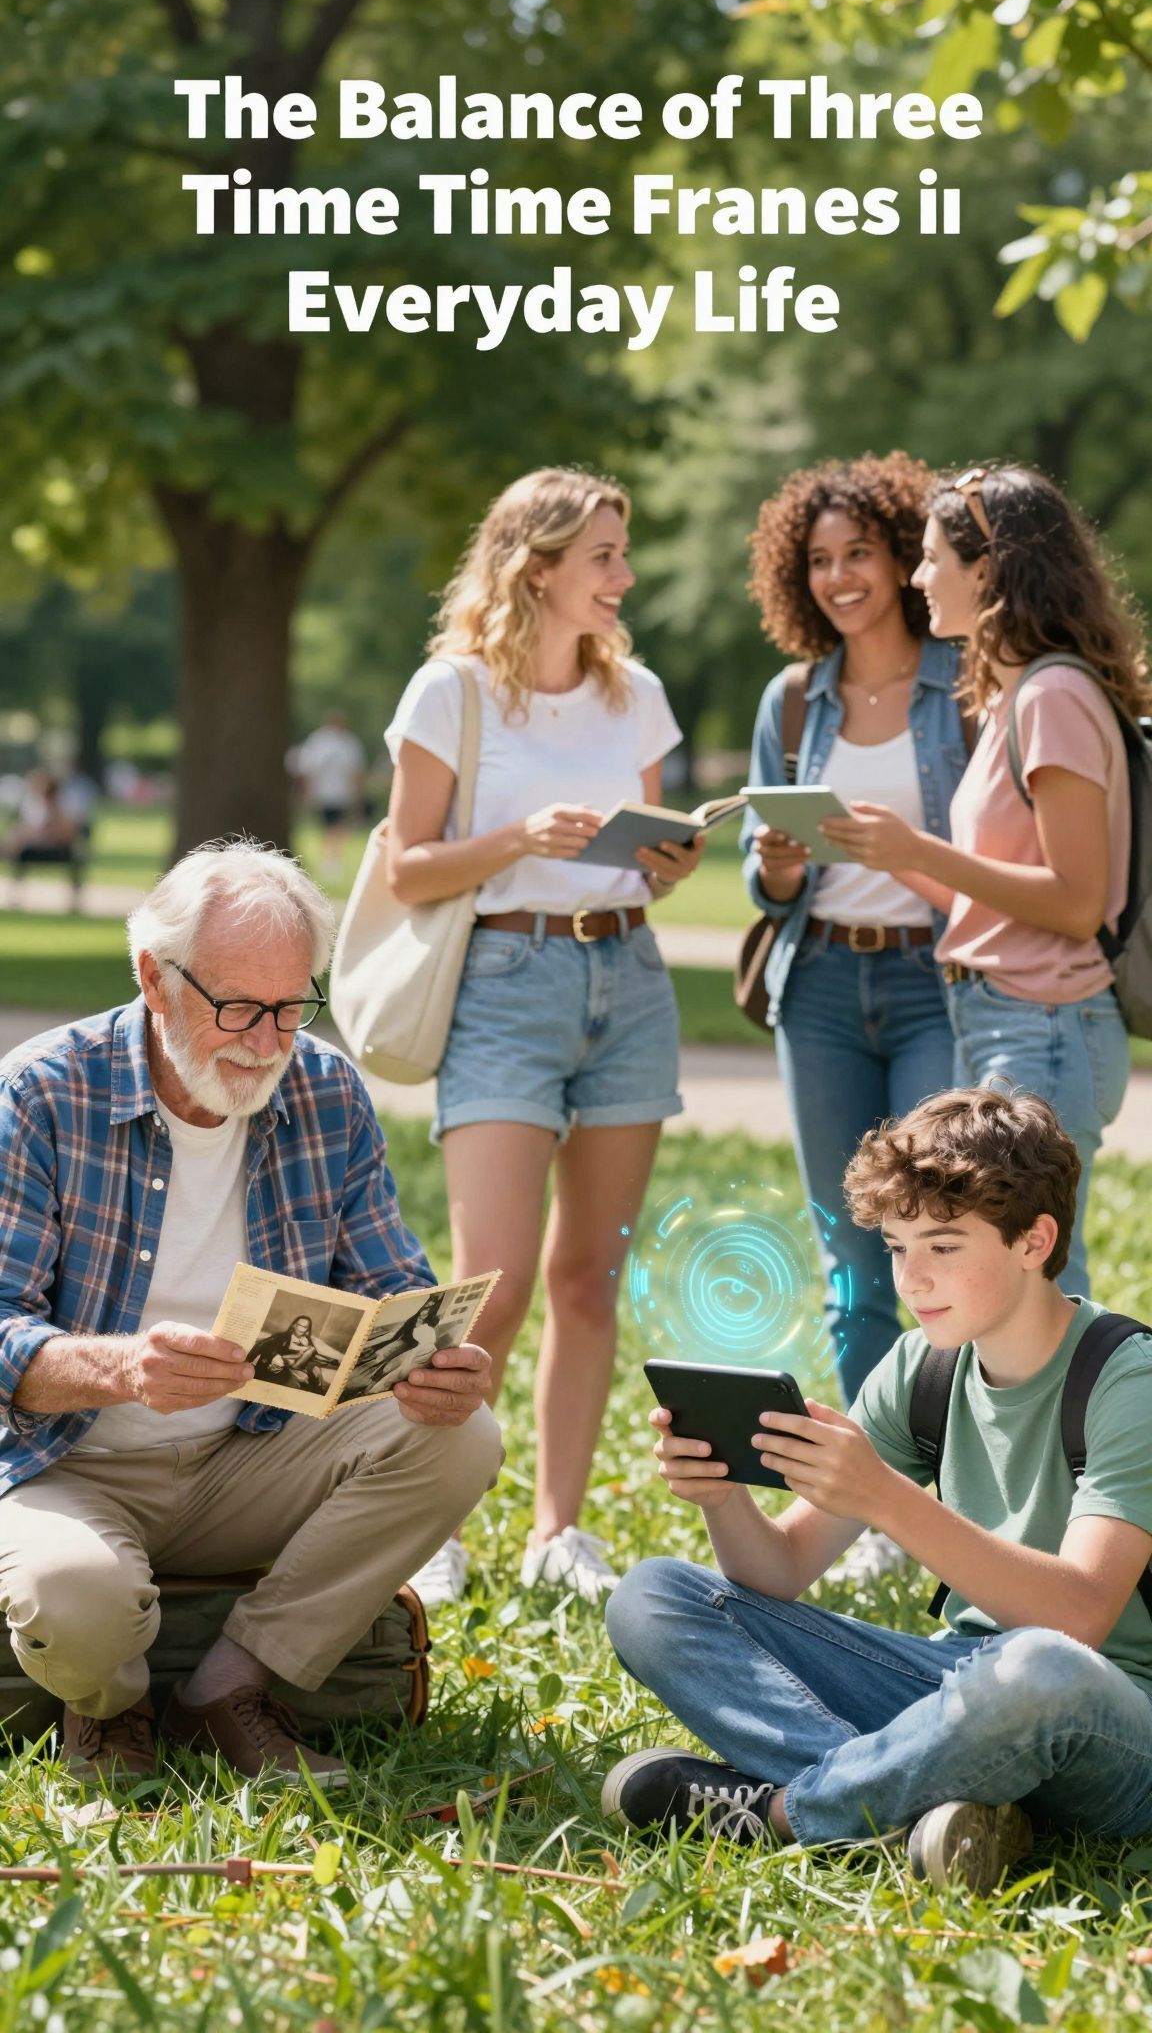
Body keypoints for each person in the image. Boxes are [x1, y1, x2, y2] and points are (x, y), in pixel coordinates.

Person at [0, 839, 501, 1789]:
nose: (268, 1042)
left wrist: (439, 1363)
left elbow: (396, 1288)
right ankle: (110, 1712)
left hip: (251, 1455)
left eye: (290, 1007)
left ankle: (231, 1690)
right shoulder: (42, 1091)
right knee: (72, 1598)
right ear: (154, 976)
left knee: (463, 1437)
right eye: (239, 1007)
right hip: (69, 1464)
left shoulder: (324, 1091)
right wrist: (122, 1369)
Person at [601, 1088, 1152, 1891]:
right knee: (652, 1598)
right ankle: (925, 1807)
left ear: (1035, 1241)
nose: (914, 1280)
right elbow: (781, 1572)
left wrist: (888, 1498)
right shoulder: (921, 1368)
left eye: (944, 1246)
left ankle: (792, 1813)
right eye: (896, 1248)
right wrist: (723, 1497)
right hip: (959, 1685)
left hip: (1108, 1716)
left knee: (1038, 1668)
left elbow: (1078, 1620)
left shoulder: (1127, 1380)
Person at [384, 466, 700, 1604]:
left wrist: (668, 860)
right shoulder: (451, 690)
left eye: (623, 553)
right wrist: (520, 836)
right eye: (605, 556)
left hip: (627, 971)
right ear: (540, 567)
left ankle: (557, 1530)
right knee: (494, 1282)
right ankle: (430, 1519)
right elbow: (406, 862)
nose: (624, 575)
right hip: (503, 981)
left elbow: (656, 867)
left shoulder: (638, 696)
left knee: (586, 1277)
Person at [821, 465, 1146, 1298]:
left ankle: (1096, 1431)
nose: (919, 577)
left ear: (990, 568)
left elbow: (1075, 899)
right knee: (1010, 1293)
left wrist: (922, 852)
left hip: (1045, 1024)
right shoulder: (1015, 697)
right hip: (1004, 1016)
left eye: (933, 559)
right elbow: (1003, 899)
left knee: (1032, 1294)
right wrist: (893, 854)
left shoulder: (1054, 695)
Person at [742, 453, 970, 1582]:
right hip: (822, 986)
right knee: (851, 1253)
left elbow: (993, 856)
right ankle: (871, 1509)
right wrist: (781, 864)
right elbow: (761, 885)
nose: (841, 577)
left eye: (861, 555)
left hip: (937, 978)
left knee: (937, 1233)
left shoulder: (966, 682)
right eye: (820, 560)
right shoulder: (793, 701)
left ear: (900, 558)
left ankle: (953, 1494)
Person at [292, 711, 366, 880]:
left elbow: (355, 772)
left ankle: (332, 860)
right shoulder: (320, 742)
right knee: (329, 828)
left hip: (340, 794)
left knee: (336, 828)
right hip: (325, 794)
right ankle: (330, 860)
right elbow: (308, 771)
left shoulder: (347, 742)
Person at [3, 771, 84, 908]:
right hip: (34, 848)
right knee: (18, 839)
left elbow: (66, 834)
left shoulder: (64, 807)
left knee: (19, 841)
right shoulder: (35, 807)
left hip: (58, 850)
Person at [250, 1315, 342, 1394]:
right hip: (281, 1363)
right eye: (300, 1326)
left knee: (316, 1369)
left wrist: (331, 1361)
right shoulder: (283, 1337)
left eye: (305, 1327)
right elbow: (264, 1345)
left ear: (307, 1330)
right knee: (303, 1376)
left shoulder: (306, 1341)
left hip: (296, 1363)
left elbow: (314, 1356)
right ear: (294, 1325)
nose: (302, 1329)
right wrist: (250, 1360)